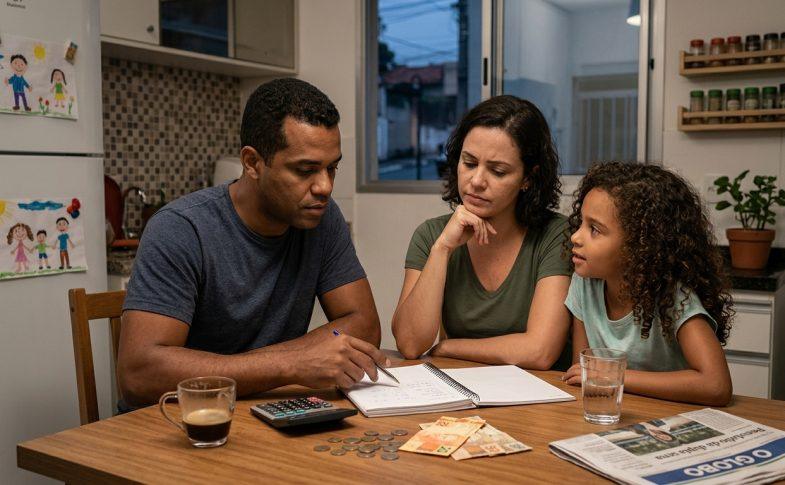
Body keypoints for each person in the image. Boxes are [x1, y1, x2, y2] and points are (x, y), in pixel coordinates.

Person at [118, 78, 386, 408]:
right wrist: (291, 364)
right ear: (252, 163)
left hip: (265, 409)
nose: (325, 187)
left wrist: (282, 364)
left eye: (332, 168)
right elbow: (138, 375)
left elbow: (363, 324)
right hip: (181, 426)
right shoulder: (180, 229)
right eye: (305, 170)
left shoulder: (322, 218)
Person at [392, 95, 572, 369]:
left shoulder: (554, 235)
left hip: (541, 399)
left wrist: (449, 346)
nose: (476, 181)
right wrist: (442, 250)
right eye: (469, 163)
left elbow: (540, 351)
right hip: (464, 394)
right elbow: (410, 344)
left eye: (497, 171)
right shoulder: (432, 234)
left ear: (527, 178)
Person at [561, 162, 733, 406]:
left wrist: (615, 375)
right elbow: (584, 372)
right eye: (580, 223)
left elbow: (716, 386)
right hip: (615, 414)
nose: (575, 237)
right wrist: (601, 376)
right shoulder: (583, 283)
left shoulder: (674, 297)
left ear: (640, 245)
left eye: (595, 229)